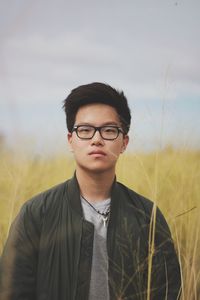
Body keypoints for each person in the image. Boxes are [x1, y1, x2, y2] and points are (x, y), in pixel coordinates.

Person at [0, 82, 181, 300]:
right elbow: (12, 292)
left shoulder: (147, 216)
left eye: (108, 130)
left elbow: (168, 291)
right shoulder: (36, 214)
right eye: (85, 130)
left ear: (124, 142)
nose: (96, 139)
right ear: (71, 140)